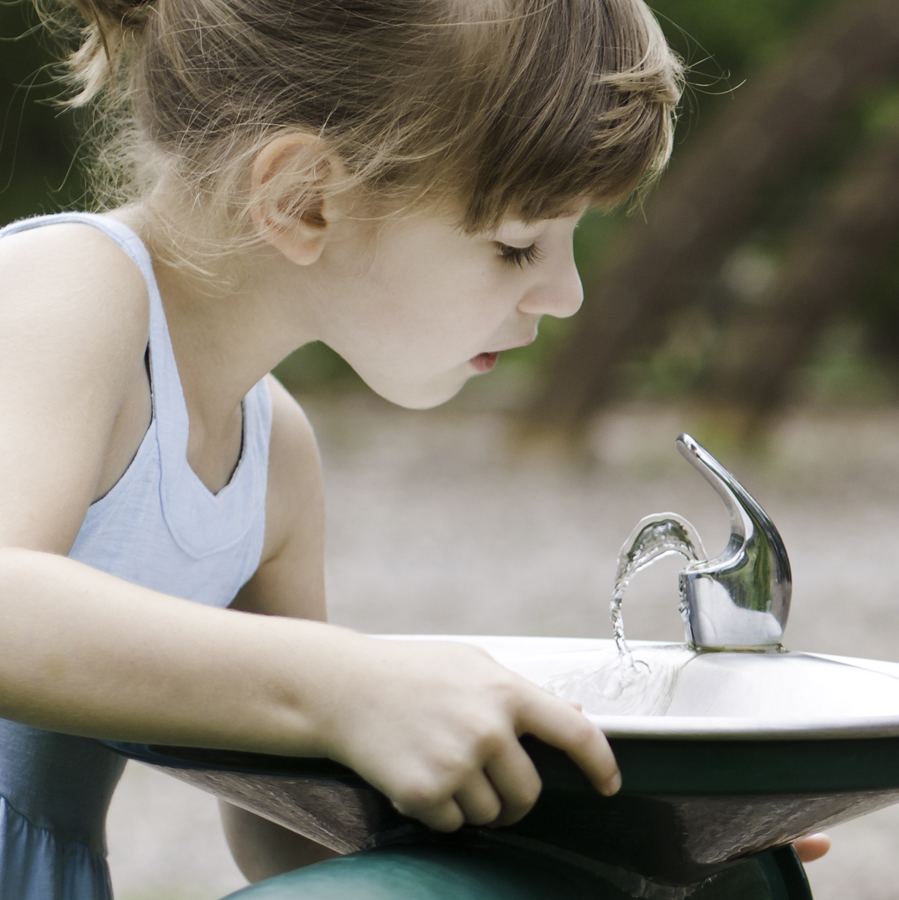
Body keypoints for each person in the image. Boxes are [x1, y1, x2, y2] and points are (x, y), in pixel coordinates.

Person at [0, 0, 829, 895]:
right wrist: (345, 686)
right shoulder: (71, 289)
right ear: (303, 199)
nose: (567, 293)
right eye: (517, 246)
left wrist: (621, 838)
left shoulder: (275, 457)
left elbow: (282, 826)